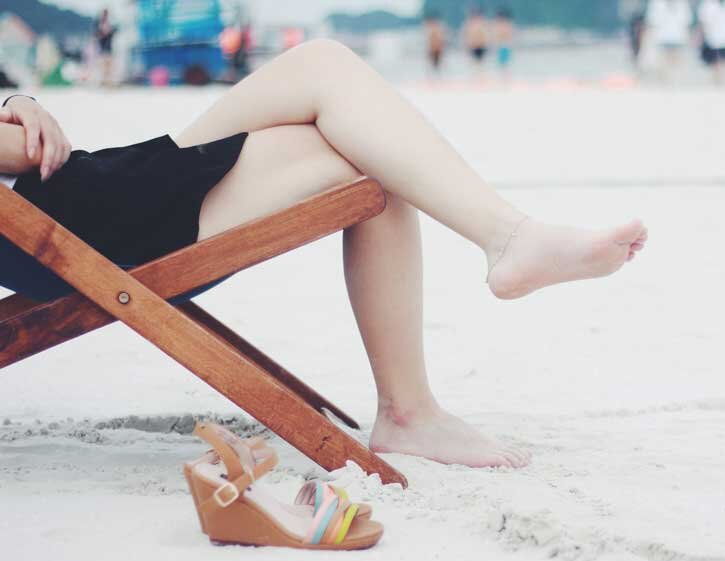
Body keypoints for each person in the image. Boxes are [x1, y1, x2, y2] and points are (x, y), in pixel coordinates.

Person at [0, 42, 648, 469]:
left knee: (335, 86)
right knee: (357, 131)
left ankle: (425, 385)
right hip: (79, 225)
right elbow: (25, 154)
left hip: (89, 198)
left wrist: (16, 101)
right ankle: (418, 396)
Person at [644, 0, 692, 83]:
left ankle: (675, 82)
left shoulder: (683, 3)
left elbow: (687, 22)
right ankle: (664, 83)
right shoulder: (656, 3)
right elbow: (651, 22)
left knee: (676, 62)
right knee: (662, 63)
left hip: (678, 37)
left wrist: (688, 38)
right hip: (661, 37)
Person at [697, 0, 725, 85]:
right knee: (716, 62)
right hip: (714, 38)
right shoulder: (708, 3)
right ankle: (717, 82)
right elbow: (703, 21)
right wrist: (700, 36)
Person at [93, 8, 117, 86]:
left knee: (109, 67)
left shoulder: (110, 24)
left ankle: (108, 82)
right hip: (102, 48)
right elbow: (96, 35)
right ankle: (103, 82)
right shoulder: (98, 24)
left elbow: (114, 32)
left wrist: (109, 31)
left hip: (109, 48)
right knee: (102, 67)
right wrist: (102, 33)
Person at [463, 7, 490, 77]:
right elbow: (467, 35)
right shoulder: (469, 24)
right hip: (473, 46)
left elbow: (486, 35)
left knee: (481, 64)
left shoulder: (483, 23)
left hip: (481, 45)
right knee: (473, 64)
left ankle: (480, 77)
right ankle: (475, 77)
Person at [424, 11, 447, 76]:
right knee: (433, 65)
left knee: (437, 65)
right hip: (433, 49)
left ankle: (437, 77)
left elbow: (441, 39)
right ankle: (435, 77)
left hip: (437, 48)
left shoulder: (437, 28)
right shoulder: (430, 28)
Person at [494, 8, 515, 81]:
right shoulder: (499, 24)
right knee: (502, 64)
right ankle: (503, 78)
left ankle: (505, 78)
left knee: (504, 64)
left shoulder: (507, 24)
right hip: (501, 45)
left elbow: (510, 35)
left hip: (505, 45)